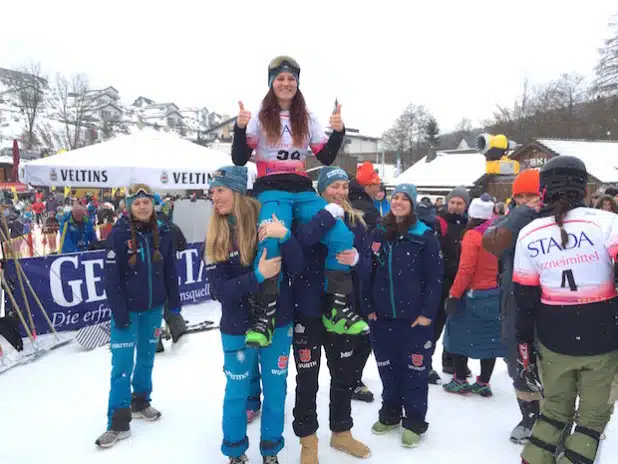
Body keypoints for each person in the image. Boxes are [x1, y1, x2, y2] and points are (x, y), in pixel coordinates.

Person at [232, 55, 366, 348]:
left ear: (297, 83)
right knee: (269, 239)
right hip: (271, 190)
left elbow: (326, 156)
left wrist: (339, 132)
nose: (285, 83)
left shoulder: (306, 116)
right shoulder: (259, 116)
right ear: (271, 83)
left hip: (304, 190)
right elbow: (239, 159)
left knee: (342, 235)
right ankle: (265, 315)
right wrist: (240, 129)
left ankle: (336, 307)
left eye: (291, 78)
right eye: (279, 78)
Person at [514, 156, 618, 464]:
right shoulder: (607, 222)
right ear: (584, 188)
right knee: (591, 420)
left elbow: (524, 299)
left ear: (544, 190)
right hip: (602, 334)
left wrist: (524, 346)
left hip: (553, 336)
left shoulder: (529, 233)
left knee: (554, 412)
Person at [205, 165, 304, 464]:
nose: (214, 197)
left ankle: (270, 451)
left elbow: (299, 269)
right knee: (236, 393)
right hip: (236, 327)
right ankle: (235, 453)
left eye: (220, 190)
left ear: (236, 190)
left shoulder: (268, 220)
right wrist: (257, 277)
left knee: (275, 393)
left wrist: (286, 236)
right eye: (212, 192)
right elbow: (217, 290)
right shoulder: (216, 235)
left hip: (278, 323)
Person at [283, 166, 371, 464]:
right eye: (334, 187)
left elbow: (369, 263)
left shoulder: (356, 221)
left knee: (344, 375)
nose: (341, 192)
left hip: (342, 310)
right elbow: (300, 245)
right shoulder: (305, 217)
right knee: (307, 379)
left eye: (344, 187)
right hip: (307, 310)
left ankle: (341, 432)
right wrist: (327, 215)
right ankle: (308, 442)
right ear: (321, 190)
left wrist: (357, 259)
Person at [95, 184, 181, 448]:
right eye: (137, 203)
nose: (142, 207)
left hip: (153, 309)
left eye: (146, 202)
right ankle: (118, 421)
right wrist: (120, 312)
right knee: (122, 365)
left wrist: (174, 304)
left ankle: (141, 400)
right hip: (127, 311)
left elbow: (170, 271)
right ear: (128, 206)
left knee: (146, 358)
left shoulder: (163, 232)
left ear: (153, 205)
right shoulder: (119, 235)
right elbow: (111, 279)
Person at [363, 184, 443, 448]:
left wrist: (427, 314)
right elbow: (367, 271)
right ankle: (390, 415)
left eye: (404, 198)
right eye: (395, 197)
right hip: (382, 319)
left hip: (414, 321)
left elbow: (434, 279)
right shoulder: (378, 233)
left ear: (412, 204)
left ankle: (415, 421)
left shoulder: (424, 236)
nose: (397, 202)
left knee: (415, 373)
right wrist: (368, 306)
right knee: (388, 371)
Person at [482, 169, 542, 444]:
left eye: (532, 195)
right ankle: (529, 416)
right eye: (520, 196)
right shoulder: (512, 221)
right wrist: (517, 217)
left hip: (548, 304)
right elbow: (492, 244)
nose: (526, 201)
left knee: (548, 366)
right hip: (513, 303)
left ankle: (553, 420)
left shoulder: (555, 220)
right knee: (517, 362)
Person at [442, 195, 507, 396]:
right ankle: (484, 382)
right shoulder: (499, 234)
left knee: (459, 337)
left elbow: (466, 269)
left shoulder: (472, 236)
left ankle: (460, 378)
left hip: (471, 295)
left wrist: (453, 294)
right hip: (494, 294)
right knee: (490, 339)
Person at [429, 186, 470, 384]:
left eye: (459, 203)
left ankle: (451, 361)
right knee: (435, 323)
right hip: (442, 280)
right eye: (452, 202)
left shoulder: (467, 224)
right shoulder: (439, 222)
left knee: (456, 323)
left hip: (460, 281)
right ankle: (425, 362)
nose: (454, 206)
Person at [349, 161, 381, 231]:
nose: (379, 190)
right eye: (378, 187)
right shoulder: (370, 210)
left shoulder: (349, 199)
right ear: (368, 186)